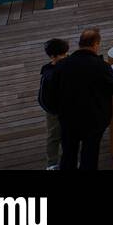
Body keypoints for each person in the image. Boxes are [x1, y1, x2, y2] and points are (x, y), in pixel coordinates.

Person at [52, 28, 113, 170]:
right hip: (93, 120)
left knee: (68, 153)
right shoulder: (101, 66)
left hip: (68, 118)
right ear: (95, 44)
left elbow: (53, 91)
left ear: (80, 44)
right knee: (89, 155)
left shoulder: (62, 65)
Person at [39, 38, 69, 170]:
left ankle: (57, 162)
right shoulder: (51, 75)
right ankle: (57, 163)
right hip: (61, 110)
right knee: (61, 135)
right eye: (64, 54)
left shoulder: (48, 73)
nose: (66, 57)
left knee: (59, 136)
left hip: (59, 110)